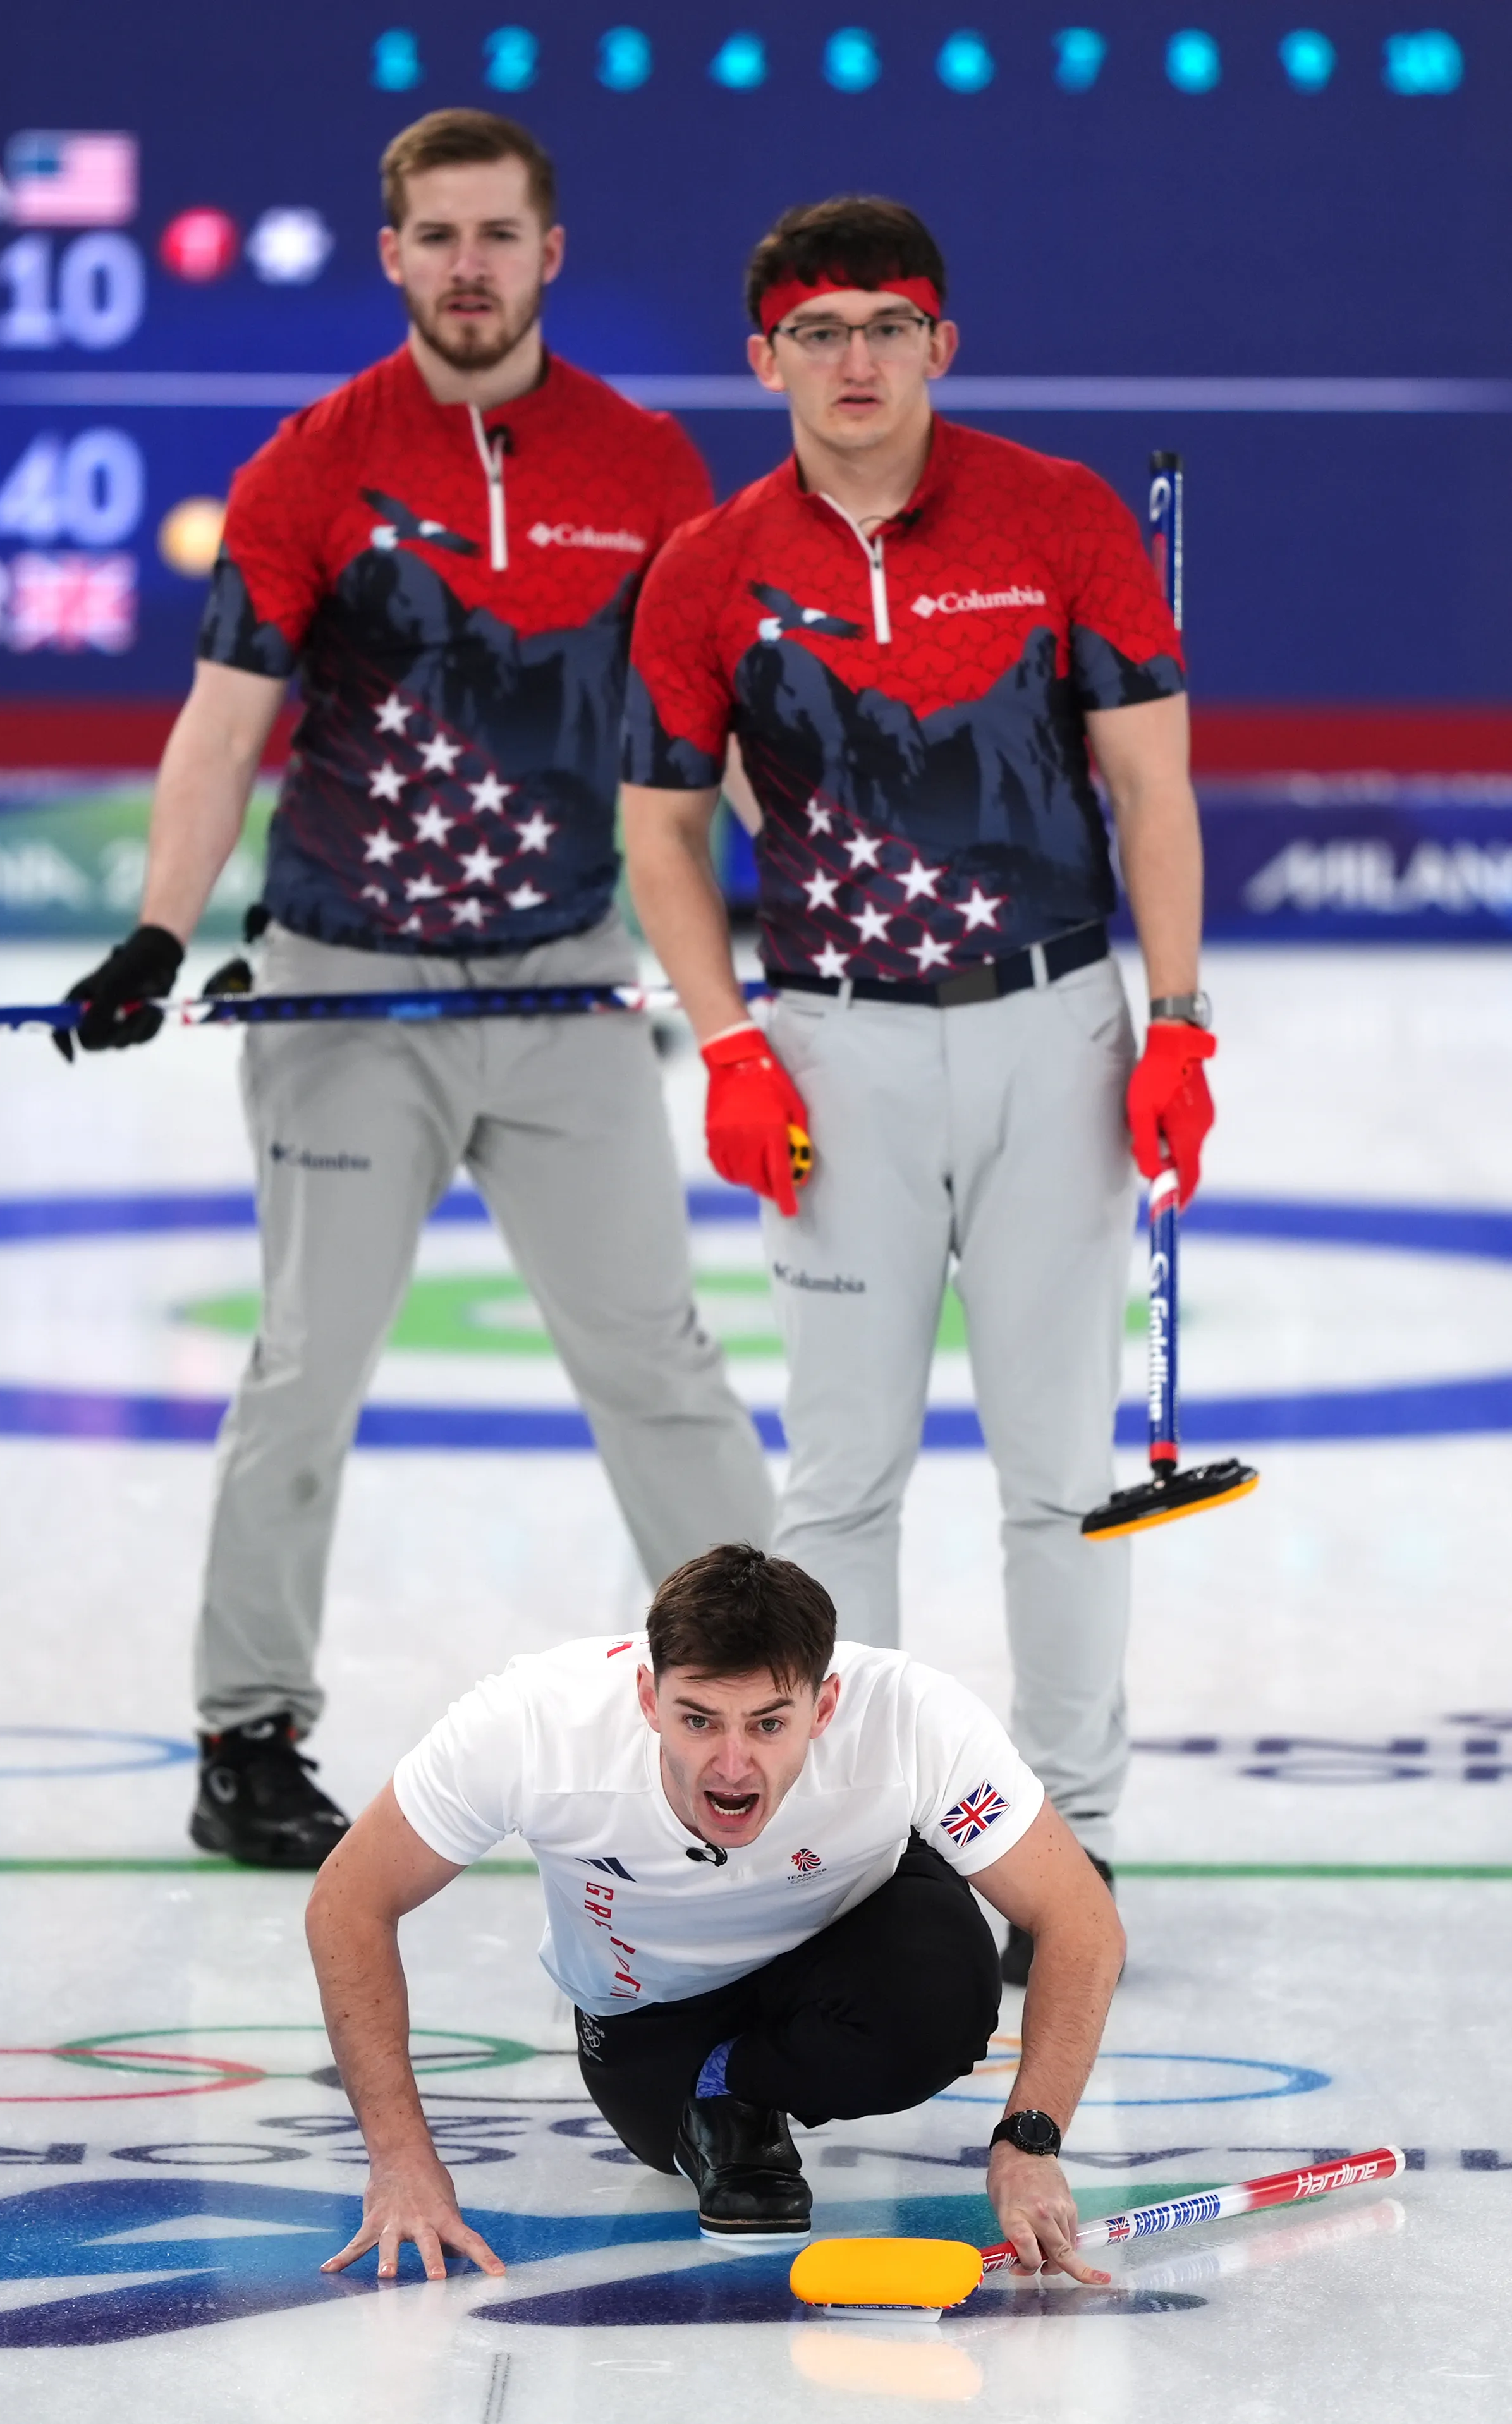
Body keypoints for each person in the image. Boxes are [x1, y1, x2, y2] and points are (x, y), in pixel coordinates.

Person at [55, 111, 773, 1868]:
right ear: (391, 257)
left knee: (660, 1365)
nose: (466, 266)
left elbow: (716, 729)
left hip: (562, 985)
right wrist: (161, 932)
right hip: (343, 993)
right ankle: (247, 1735)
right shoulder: (312, 469)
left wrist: (820, 904)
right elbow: (223, 726)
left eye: (495, 236)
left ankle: (773, 1710)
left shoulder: (646, 465)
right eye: (433, 237)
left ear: (546, 250)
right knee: (305, 1365)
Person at [620, 196, 1217, 1983]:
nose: (854, 360)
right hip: (833, 1048)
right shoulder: (709, 566)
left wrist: (1174, 1020)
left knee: (1058, 1470)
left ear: (941, 344)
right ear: (764, 359)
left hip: (1052, 1030)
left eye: (887, 325)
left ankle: (1072, 1836)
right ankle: (847, 1834)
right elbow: (659, 827)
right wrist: (726, 1037)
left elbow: (1153, 793)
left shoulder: (1058, 520)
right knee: (842, 1479)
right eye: (817, 332)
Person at [305, 1543, 1126, 2272]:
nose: (732, 1764)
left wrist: (1029, 2140)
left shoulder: (913, 1716)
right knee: (655, 2110)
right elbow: (349, 1899)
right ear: (646, 1695)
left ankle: (747, 2079)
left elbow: (1079, 1920)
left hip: (846, 1940)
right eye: (698, 1719)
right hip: (651, 2016)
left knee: (940, 1989)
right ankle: (713, 2094)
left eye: (769, 1723)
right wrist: (402, 2159)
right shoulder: (532, 1722)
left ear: (825, 1706)